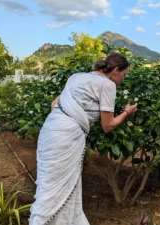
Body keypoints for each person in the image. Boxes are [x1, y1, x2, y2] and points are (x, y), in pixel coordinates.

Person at [29, 52, 137, 225]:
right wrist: (126, 112)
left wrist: (65, 122)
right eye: (124, 75)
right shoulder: (107, 85)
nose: (123, 79)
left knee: (49, 186)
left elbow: (54, 105)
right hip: (67, 136)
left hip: (49, 131)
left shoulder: (76, 77)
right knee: (57, 190)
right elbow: (107, 126)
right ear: (115, 70)